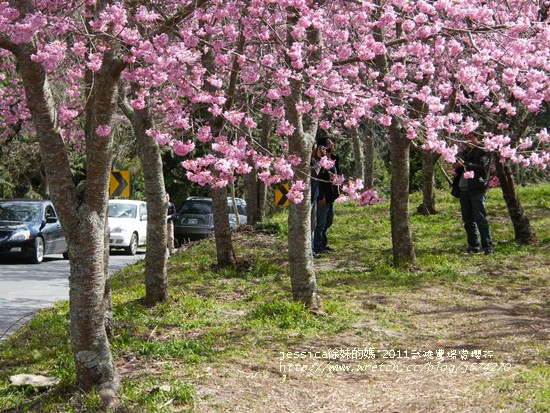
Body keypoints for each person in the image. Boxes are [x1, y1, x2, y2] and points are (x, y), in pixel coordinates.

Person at [451, 133, 494, 255]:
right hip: (464, 189)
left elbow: (482, 168)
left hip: (477, 189)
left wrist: (465, 164)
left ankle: (487, 246)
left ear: (477, 137)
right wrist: (456, 165)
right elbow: (460, 167)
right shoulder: (465, 152)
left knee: (480, 218)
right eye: (467, 138)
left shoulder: (483, 151)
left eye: (471, 137)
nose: (468, 140)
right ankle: (473, 245)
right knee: (467, 220)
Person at [313, 134, 340, 255]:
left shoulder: (334, 160)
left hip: (332, 196)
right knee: (320, 223)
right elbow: (317, 180)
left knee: (328, 222)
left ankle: (323, 244)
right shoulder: (320, 163)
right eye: (329, 144)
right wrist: (321, 196)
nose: (332, 145)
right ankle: (318, 246)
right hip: (323, 197)